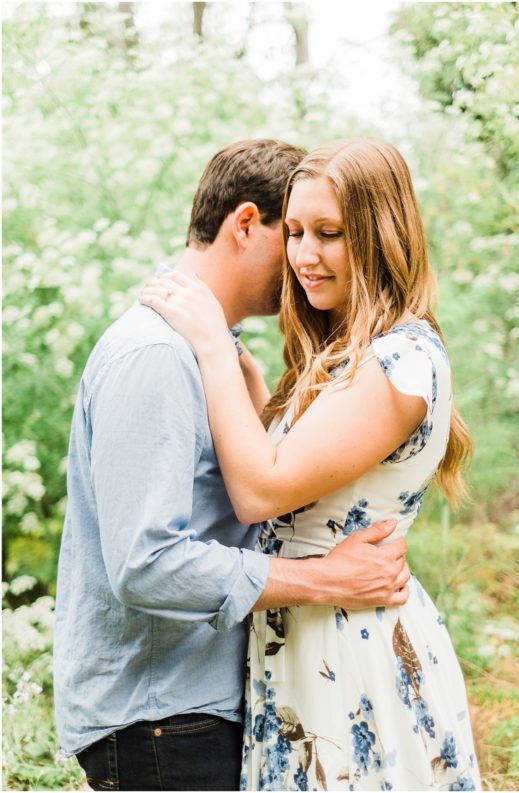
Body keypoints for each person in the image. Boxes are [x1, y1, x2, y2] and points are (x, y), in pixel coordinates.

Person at [53, 139, 411, 793]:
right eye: (295, 232)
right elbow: (147, 563)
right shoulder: (156, 355)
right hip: (162, 720)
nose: (307, 260)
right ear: (246, 224)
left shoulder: (208, 352)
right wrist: (325, 578)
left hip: (186, 715)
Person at [139, 138, 481, 791]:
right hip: (304, 637)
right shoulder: (346, 354)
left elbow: (261, 490)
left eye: (330, 233)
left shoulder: (399, 358)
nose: (303, 255)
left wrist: (213, 343)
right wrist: (249, 374)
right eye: (294, 231)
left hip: (356, 649)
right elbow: (296, 465)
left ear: (382, 235)